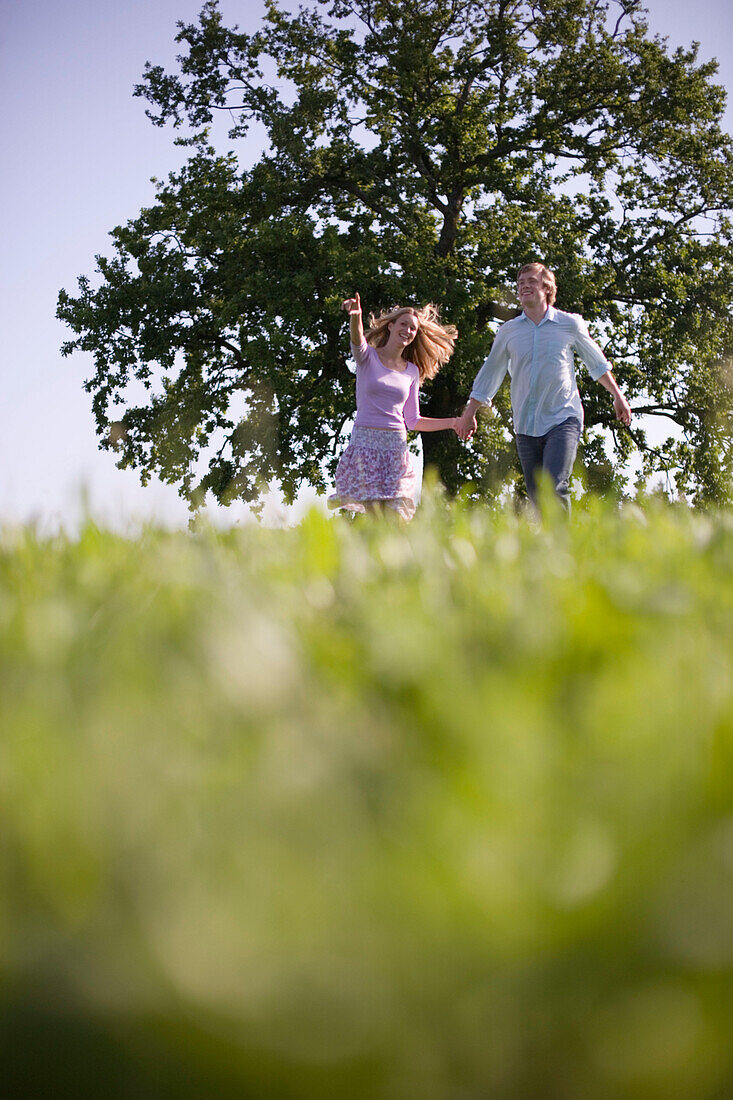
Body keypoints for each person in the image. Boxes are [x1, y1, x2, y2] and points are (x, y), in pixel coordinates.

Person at [456, 263, 632, 510]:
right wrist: (469, 412)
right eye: (520, 283)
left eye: (531, 281)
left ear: (547, 288)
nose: (524, 286)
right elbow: (491, 371)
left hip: (563, 417)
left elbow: (597, 363)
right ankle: (545, 545)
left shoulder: (569, 324)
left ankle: (560, 547)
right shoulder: (508, 331)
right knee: (537, 495)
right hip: (526, 425)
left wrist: (618, 396)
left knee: (553, 484)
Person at [329, 292, 459, 521]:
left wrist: (453, 422)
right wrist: (356, 315)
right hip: (365, 445)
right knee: (376, 521)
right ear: (390, 326)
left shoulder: (411, 371)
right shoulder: (367, 356)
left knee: (398, 521)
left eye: (413, 329)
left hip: (395, 449)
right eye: (403, 324)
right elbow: (357, 338)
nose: (408, 331)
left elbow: (413, 420)